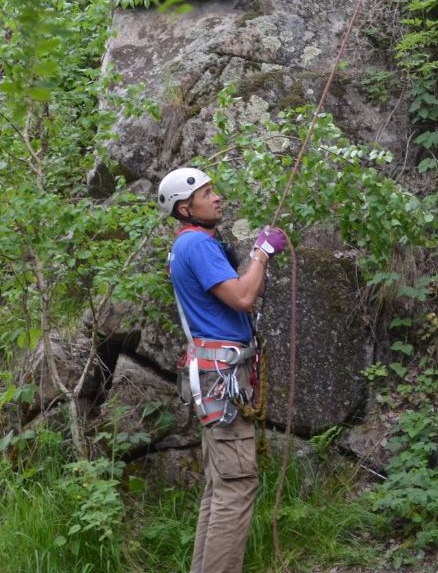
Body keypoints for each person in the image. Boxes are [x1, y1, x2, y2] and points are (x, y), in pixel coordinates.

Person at [158, 166, 288, 573]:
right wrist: (261, 253)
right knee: (236, 485)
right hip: (222, 377)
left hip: (214, 373)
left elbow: (241, 292)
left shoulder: (191, 244)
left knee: (221, 487)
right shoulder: (197, 245)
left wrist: (257, 259)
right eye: (206, 193)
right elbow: (244, 298)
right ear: (185, 209)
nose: (217, 198)